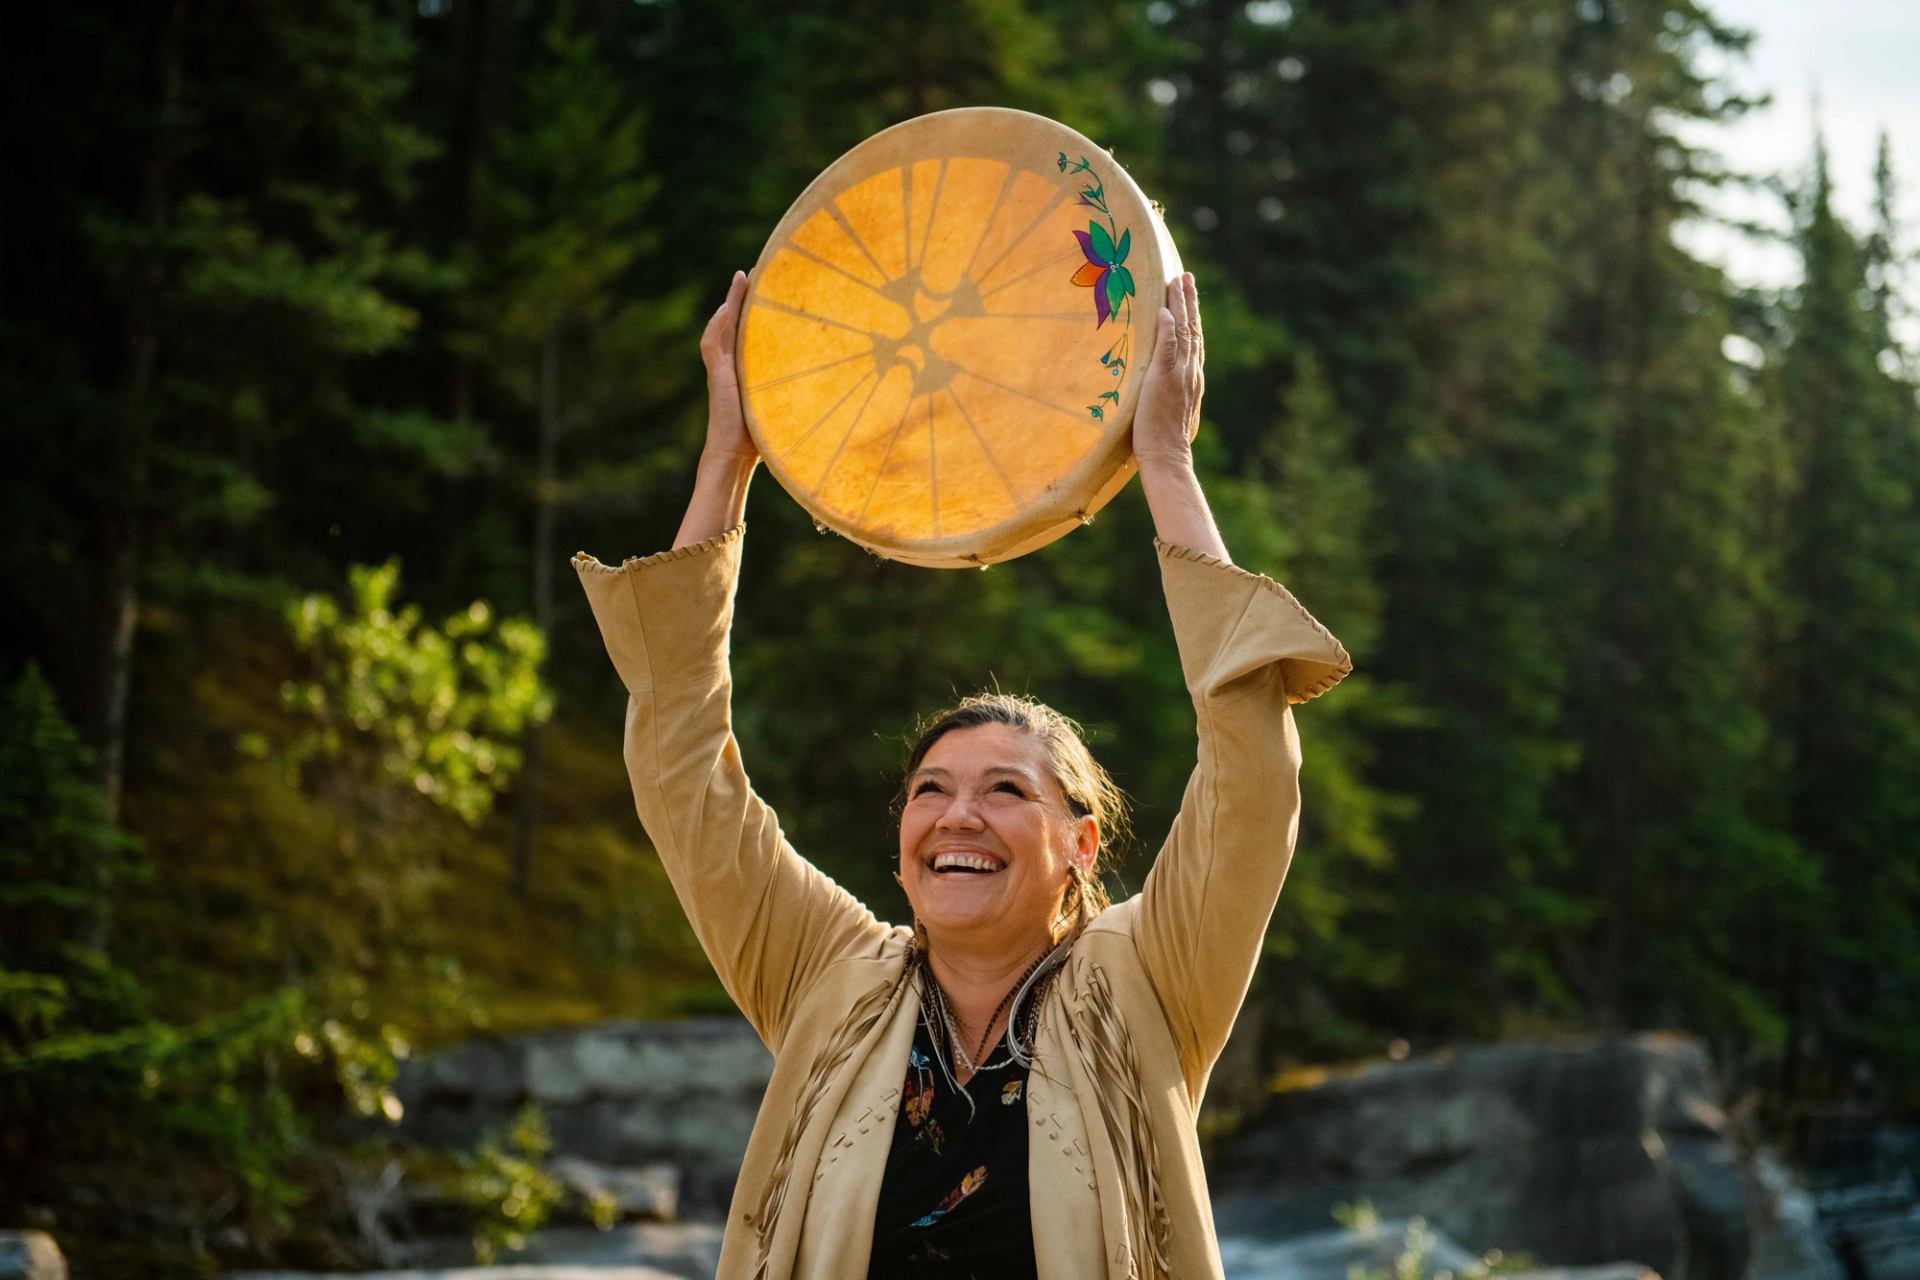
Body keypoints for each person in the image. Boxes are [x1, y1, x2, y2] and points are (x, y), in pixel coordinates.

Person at [573, 270, 1351, 1280]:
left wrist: (1162, 459)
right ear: (900, 838)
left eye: (1006, 789)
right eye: (932, 788)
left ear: (1082, 844)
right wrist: (727, 459)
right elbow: (682, 767)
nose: (959, 815)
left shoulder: (1148, 979)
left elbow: (1250, 780)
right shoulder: (827, 975)